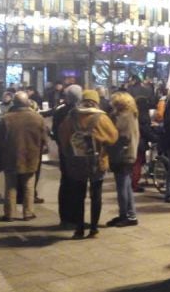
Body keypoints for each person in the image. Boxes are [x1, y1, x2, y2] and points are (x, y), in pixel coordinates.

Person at [58, 89, 119, 239]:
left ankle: (79, 229)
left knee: (78, 196)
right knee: (96, 195)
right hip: (97, 162)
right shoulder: (102, 118)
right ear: (96, 101)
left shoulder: (71, 117)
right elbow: (113, 137)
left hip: (76, 163)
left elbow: (62, 137)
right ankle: (93, 228)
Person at [0, 92, 48, 221]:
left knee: (10, 185)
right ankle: (28, 212)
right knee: (29, 184)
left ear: (14, 102)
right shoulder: (38, 118)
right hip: (31, 155)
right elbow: (44, 139)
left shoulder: (6, 118)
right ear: (27, 102)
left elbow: (0, 140)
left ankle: (10, 213)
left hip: (11, 155)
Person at [106, 92, 140, 227]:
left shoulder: (123, 117)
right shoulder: (131, 114)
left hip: (122, 155)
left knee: (123, 187)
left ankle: (129, 215)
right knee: (125, 186)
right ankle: (126, 214)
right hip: (126, 154)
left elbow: (116, 135)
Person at [51, 85, 82, 228]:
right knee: (77, 185)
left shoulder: (60, 111)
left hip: (64, 152)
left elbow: (55, 132)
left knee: (65, 183)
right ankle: (75, 217)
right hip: (78, 154)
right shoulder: (79, 112)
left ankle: (65, 216)